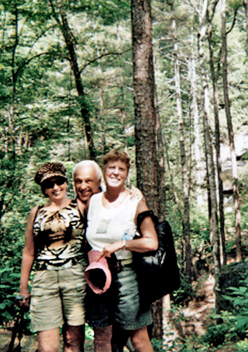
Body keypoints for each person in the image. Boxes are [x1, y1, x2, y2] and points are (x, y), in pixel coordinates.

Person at [86, 150, 158, 352]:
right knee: (102, 337)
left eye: (121, 169)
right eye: (111, 167)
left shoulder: (135, 202)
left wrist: (122, 244)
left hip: (126, 275)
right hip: (98, 276)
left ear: (127, 174)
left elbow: (151, 242)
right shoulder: (93, 201)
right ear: (104, 171)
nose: (116, 173)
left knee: (138, 338)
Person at [18, 162, 87, 352]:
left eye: (59, 182)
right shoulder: (36, 212)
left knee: (73, 342)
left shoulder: (80, 206)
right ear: (44, 189)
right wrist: (24, 288)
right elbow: (29, 251)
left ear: (66, 182)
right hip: (44, 278)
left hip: (74, 275)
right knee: (47, 346)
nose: (56, 187)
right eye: (49, 184)